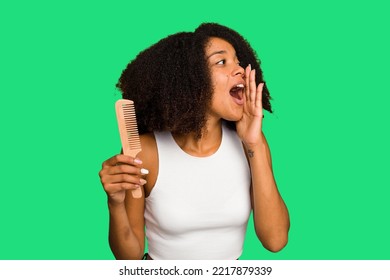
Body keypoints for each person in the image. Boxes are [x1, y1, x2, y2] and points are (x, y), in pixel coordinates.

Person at [98, 23, 290, 260]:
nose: (239, 69)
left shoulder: (250, 144)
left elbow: (276, 240)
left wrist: (255, 145)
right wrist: (115, 204)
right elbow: (129, 257)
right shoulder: (146, 151)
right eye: (222, 62)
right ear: (191, 78)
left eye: (238, 61)